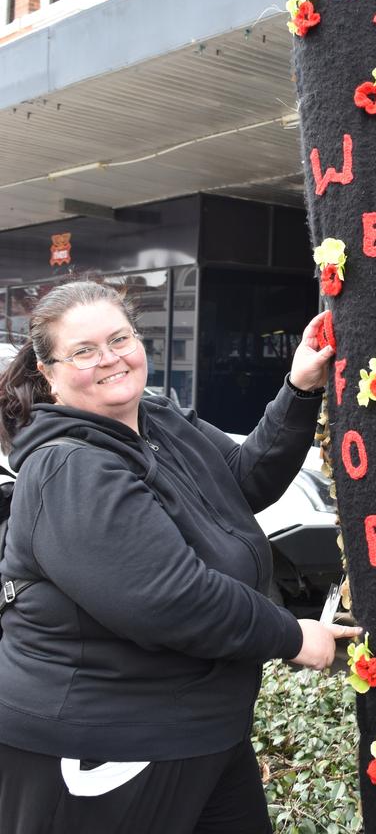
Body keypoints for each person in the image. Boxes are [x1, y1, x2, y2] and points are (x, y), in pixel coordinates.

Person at [0, 280, 357, 834]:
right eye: (83, 351)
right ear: (48, 373)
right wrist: (291, 635)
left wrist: (300, 387)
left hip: (202, 728)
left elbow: (243, 479)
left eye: (120, 339)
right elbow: (170, 598)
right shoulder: (69, 469)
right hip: (102, 743)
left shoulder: (158, 418)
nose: (110, 359)